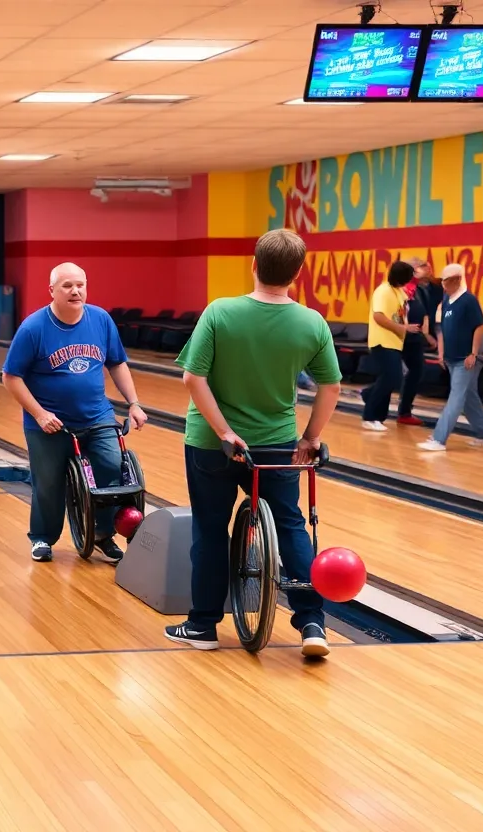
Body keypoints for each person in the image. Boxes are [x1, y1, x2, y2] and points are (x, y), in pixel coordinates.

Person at [166, 229, 341, 658]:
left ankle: (203, 625)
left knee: (210, 529)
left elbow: (193, 377)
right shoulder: (311, 322)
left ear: (254, 265)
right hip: (279, 448)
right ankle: (312, 623)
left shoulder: (220, 312)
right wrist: (311, 437)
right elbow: (331, 386)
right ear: (298, 273)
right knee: (291, 525)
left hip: (214, 445)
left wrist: (225, 431)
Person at [1, 262, 147, 564]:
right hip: (48, 422)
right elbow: (11, 377)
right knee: (48, 482)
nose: (75, 290)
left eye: (80, 284)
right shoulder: (33, 327)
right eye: (67, 285)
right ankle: (42, 537)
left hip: (96, 417)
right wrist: (40, 414)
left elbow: (117, 363)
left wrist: (133, 402)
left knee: (110, 469)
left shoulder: (101, 320)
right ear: (52, 290)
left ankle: (102, 535)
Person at [417, 264, 483, 452]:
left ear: (456, 280)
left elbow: (479, 327)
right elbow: (442, 329)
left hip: (466, 360)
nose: (443, 286)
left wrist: (473, 353)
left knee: (456, 397)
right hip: (450, 358)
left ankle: (438, 439)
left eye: (446, 282)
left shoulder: (469, 301)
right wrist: (441, 352)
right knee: (469, 397)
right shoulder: (447, 300)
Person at [361, 261, 420, 431]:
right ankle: (369, 416)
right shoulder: (383, 291)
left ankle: (376, 411)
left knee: (390, 378)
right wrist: (403, 328)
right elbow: (379, 316)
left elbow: (399, 315)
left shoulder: (398, 291)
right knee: (392, 377)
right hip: (382, 340)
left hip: (395, 342)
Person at [396, 258, 437, 426]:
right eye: (422, 267)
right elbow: (396, 312)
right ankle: (370, 396)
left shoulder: (420, 290)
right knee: (392, 374)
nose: (427, 269)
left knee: (416, 372)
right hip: (401, 336)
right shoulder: (401, 290)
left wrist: (427, 335)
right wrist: (403, 327)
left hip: (414, 338)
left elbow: (424, 314)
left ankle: (405, 411)